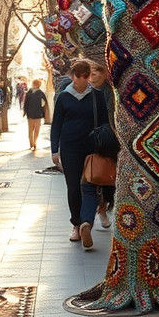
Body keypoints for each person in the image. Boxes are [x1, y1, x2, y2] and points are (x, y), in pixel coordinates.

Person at [51, 58, 108, 249]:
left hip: (92, 147)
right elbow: (56, 125)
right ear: (72, 76)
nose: (83, 80)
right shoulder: (64, 97)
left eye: (86, 76)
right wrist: (54, 150)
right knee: (74, 187)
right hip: (69, 148)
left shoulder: (97, 96)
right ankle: (76, 224)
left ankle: (86, 224)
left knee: (90, 186)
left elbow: (104, 123)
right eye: (79, 76)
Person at [89, 61, 116, 229]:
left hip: (109, 139)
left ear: (104, 73)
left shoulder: (111, 91)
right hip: (90, 137)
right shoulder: (85, 91)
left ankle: (104, 207)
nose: (93, 76)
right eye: (90, 73)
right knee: (92, 176)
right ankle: (97, 211)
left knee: (107, 176)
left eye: (96, 72)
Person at [23, 79, 47, 151]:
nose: (33, 85)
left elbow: (45, 102)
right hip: (30, 113)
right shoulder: (29, 92)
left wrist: (43, 111)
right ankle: (31, 144)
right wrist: (25, 111)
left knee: (36, 130)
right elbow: (26, 103)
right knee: (30, 130)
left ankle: (34, 142)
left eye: (34, 84)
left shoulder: (40, 93)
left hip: (38, 114)